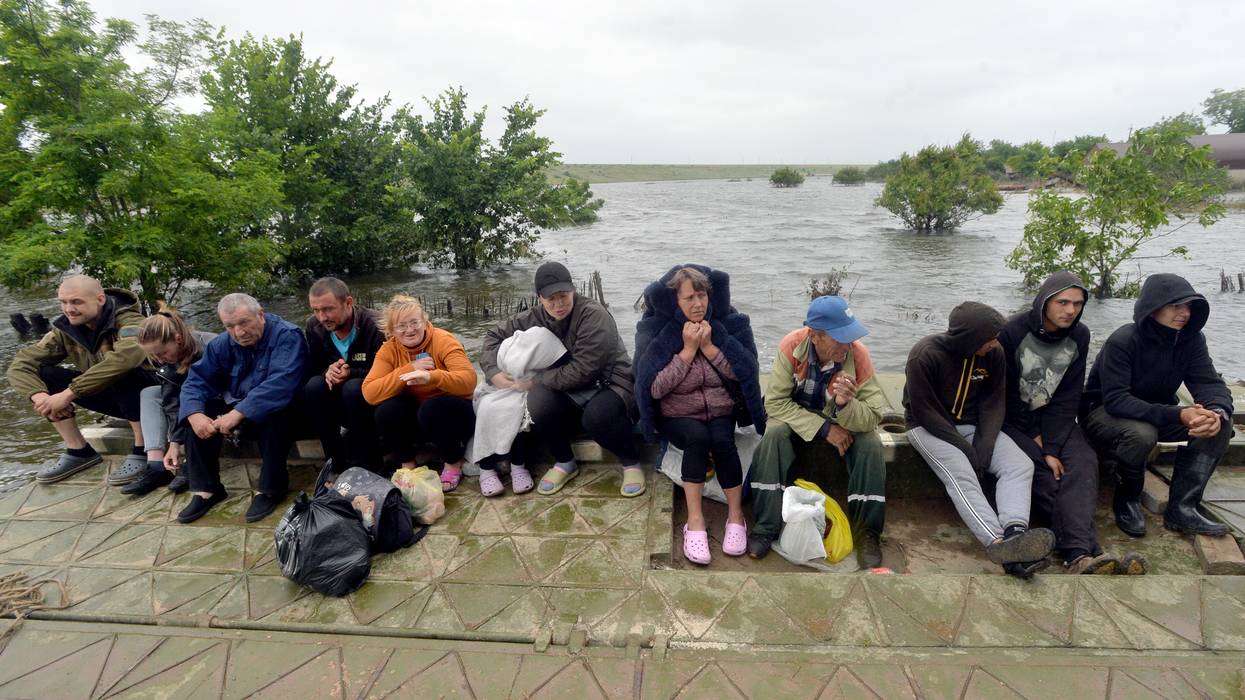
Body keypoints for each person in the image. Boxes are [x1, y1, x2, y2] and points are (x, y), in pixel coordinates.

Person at [999, 273, 1145, 575]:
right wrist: (1038, 440)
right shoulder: (1012, 331)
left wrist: (1052, 444)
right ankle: (1083, 551)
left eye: (1077, 304)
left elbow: (1068, 396)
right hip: (1014, 420)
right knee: (1044, 473)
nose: (1070, 310)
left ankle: (1082, 555)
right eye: (1062, 302)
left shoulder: (1080, 335)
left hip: (1057, 418)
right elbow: (1004, 394)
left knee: (1083, 461)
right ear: (1044, 302)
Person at [904, 301, 1055, 578]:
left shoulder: (993, 354)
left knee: (1020, 465)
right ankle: (996, 542)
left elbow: (994, 403)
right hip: (929, 427)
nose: (994, 344)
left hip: (974, 426)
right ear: (969, 338)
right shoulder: (924, 355)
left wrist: (984, 446)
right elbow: (925, 412)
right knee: (962, 474)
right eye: (988, 339)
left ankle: (1015, 535)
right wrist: (967, 451)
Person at [1083, 273, 1235, 538]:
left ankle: (1182, 508)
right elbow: (1117, 400)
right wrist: (1179, 414)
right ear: (1153, 309)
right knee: (1142, 433)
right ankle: (1127, 499)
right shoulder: (1124, 340)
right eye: (1176, 306)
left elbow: (1209, 383)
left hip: (1156, 412)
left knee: (1220, 424)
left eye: (1188, 307)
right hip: (1103, 413)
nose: (1185, 313)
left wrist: (1216, 412)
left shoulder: (1191, 340)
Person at [634, 265, 765, 565]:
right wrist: (688, 351)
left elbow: (744, 373)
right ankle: (695, 521)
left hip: (719, 408)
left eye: (702, 295)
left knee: (721, 437)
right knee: (696, 437)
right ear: (675, 302)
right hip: (677, 413)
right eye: (689, 298)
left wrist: (710, 347)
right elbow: (652, 387)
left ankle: (736, 516)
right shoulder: (656, 329)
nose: (697, 304)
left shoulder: (730, 322)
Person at [746, 295, 888, 569]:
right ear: (815, 336)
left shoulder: (857, 355)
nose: (847, 345)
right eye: (839, 338)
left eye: (850, 336)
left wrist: (846, 406)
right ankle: (766, 526)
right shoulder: (791, 347)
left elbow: (873, 416)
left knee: (870, 443)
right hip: (799, 420)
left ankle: (867, 533)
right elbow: (775, 403)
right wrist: (824, 429)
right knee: (773, 434)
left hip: (839, 418)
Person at [479, 262, 643, 497]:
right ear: (539, 299)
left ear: (573, 290)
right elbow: (494, 335)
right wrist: (492, 372)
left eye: (564, 296)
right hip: (566, 385)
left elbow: (584, 370)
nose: (558, 304)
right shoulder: (535, 316)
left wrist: (536, 380)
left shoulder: (593, 315)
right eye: (551, 299)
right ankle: (565, 461)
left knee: (597, 417)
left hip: (609, 381)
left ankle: (631, 462)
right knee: (537, 403)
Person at [7, 275, 156, 485]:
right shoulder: (65, 329)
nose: (69, 309)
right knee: (44, 373)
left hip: (153, 400)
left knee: (122, 368)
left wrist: (67, 395)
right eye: (63, 302)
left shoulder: (131, 321)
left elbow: (127, 358)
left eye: (76, 302)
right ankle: (79, 451)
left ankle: (143, 448)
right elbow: (21, 363)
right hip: (112, 398)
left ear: (100, 300)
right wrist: (41, 398)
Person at [176, 294, 307, 523]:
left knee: (276, 412)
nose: (239, 333)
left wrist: (237, 414)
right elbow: (196, 380)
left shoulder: (287, 335)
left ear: (261, 314)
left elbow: (281, 383)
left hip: (283, 411)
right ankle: (207, 489)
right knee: (198, 410)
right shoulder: (221, 345)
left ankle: (270, 488)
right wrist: (195, 415)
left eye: (244, 323)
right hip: (237, 408)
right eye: (230, 326)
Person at [361, 295, 476, 489]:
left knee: (433, 408)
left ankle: (453, 462)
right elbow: (370, 392)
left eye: (415, 322)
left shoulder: (443, 340)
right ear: (391, 331)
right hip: (418, 419)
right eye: (401, 326)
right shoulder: (388, 350)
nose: (410, 330)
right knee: (386, 410)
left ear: (424, 320)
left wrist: (432, 377)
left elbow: (469, 381)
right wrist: (408, 369)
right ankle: (408, 465)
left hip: (454, 417)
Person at [122, 308, 218, 496]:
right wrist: (174, 443)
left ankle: (189, 463)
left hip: (214, 401)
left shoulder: (209, 347)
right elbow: (171, 401)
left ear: (178, 339)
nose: (159, 359)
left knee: (192, 404)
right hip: (188, 399)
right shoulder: (168, 358)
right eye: (154, 356)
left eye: (162, 353)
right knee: (150, 393)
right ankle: (157, 465)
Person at [302, 277, 385, 474]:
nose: (322, 317)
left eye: (328, 309)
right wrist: (327, 371)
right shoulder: (314, 327)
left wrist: (351, 373)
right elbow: (314, 367)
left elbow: (386, 371)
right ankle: (334, 463)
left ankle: (371, 464)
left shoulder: (375, 325)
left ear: (349, 302)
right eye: (316, 310)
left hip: (369, 401)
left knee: (353, 387)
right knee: (314, 386)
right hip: (338, 401)